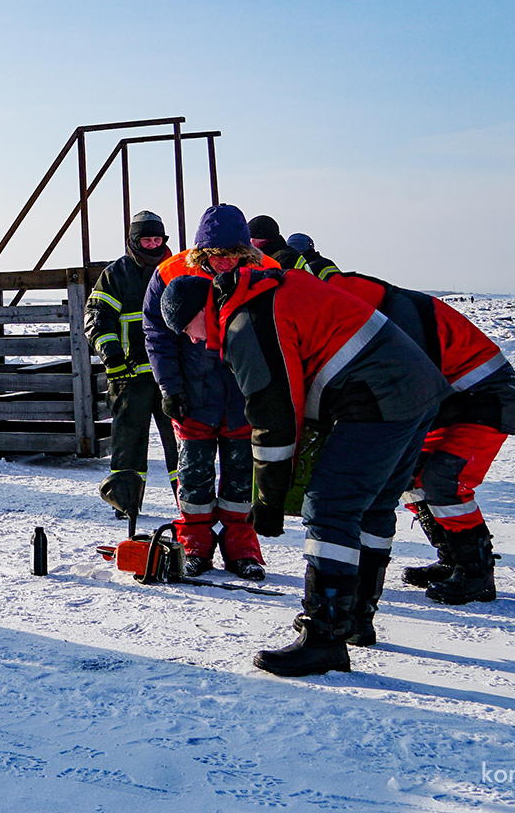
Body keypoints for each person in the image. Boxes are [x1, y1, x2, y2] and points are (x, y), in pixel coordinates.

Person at [161, 265, 450, 677]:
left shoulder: (246, 324)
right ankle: (355, 620)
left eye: (187, 329)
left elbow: (273, 418)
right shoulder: (263, 294)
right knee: (373, 507)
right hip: (416, 388)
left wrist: (269, 501)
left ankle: (324, 637)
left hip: (377, 395)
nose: (192, 339)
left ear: (198, 311)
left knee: (330, 508)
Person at [320, 270, 515, 614]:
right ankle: (452, 557)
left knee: (444, 481)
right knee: (408, 475)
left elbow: (415, 382)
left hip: (486, 399)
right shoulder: (381, 311)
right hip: (450, 402)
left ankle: (477, 573)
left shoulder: (401, 316)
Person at [140, 205, 266, 580]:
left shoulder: (267, 272)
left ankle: (242, 546)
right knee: (193, 474)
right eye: (216, 255)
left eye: (232, 255)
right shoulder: (170, 273)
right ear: (201, 252)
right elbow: (157, 334)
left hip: (244, 395)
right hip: (193, 392)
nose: (224, 262)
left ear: (244, 252)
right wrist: (170, 387)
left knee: (241, 476)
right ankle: (194, 544)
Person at [85, 210, 179, 522]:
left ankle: (191, 503)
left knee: (181, 440)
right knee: (128, 443)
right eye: (146, 239)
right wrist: (111, 354)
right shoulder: (116, 275)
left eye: (157, 239)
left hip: (171, 375)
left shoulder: (177, 271)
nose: (152, 245)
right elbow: (97, 317)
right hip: (128, 376)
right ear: (133, 240)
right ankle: (127, 504)